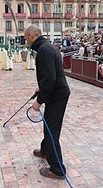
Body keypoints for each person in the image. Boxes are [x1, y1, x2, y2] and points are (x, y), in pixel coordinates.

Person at [24, 24, 70, 179]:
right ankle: (45, 151)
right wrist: (41, 88)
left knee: (52, 132)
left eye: (26, 37)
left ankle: (58, 170)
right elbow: (52, 75)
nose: (26, 41)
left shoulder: (44, 50)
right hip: (56, 93)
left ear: (31, 35)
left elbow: (50, 79)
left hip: (57, 96)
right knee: (48, 127)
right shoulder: (47, 47)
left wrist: (39, 101)